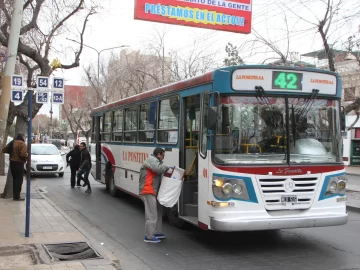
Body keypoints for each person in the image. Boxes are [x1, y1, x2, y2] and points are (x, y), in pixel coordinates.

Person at [139, 148, 170, 243]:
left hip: (152, 191)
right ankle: (148, 236)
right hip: (147, 191)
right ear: (158, 154)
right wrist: (168, 168)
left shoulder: (155, 161)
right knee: (152, 214)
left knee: (158, 211)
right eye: (163, 155)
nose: (163, 157)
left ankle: (156, 232)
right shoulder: (151, 160)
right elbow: (158, 169)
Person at [2, 133, 28, 201]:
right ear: (23, 137)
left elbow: (4, 149)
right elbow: (23, 154)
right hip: (19, 163)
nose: (25, 138)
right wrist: (27, 157)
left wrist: (12, 153)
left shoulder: (13, 142)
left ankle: (15, 195)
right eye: (25, 137)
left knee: (15, 179)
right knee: (19, 180)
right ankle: (17, 196)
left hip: (12, 162)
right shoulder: (22, 144)